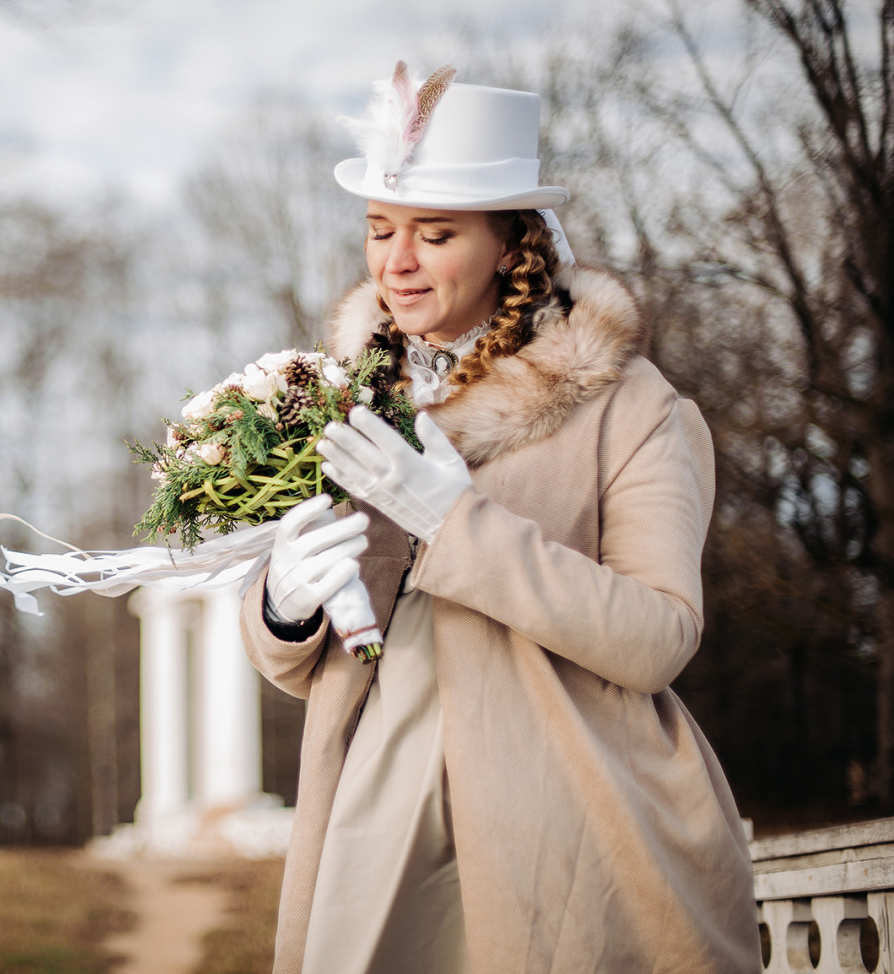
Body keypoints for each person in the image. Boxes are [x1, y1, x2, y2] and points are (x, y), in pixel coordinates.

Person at [240, 65, 758, 974]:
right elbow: (316, 668)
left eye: (434, 234)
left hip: (571, 827)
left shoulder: (635, 409)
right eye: (379, 230)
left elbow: (659, 637)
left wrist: (457, 524)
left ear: (512, 246)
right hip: (374, 813)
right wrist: (284, 607)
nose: (396, 262)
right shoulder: (338, 404)